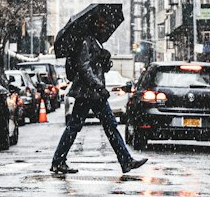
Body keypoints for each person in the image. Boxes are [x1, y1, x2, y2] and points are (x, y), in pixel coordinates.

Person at [50, 13, 147, 176]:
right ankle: (58, 161)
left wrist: (105, 62)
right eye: (100, 24)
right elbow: (84, 67)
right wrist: (97, 85)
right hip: (88, 92)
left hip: (92, 93)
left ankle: (125, 161)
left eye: (104, 24)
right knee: (84, 127)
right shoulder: (86, 41)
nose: (103, 27)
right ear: (93, 25)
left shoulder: (95, 42)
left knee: (105, 126)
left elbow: (94, 66)